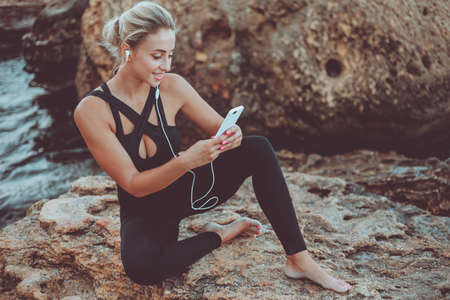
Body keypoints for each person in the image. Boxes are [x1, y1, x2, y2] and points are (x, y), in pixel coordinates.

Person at [73, 1, 351, 293]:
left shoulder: (171, 86)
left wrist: (234, 134)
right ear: (127, 49)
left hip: (192, 192)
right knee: (142, 269)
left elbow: (222, 127)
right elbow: (133, 184)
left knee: (258, 147)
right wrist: (186, 161)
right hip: (146, 210)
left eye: (170, 55)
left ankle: (298, 258)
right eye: (157, 56)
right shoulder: (92, 110)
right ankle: (221, 234)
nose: (166, 66)